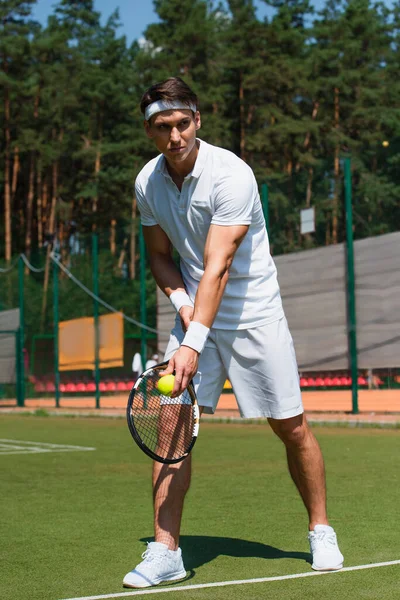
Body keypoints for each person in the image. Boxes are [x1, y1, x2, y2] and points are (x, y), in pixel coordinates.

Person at [123, 77, 343, 589]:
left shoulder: (232, 175)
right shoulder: (147, 182)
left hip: (254, 313)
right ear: (150, 131)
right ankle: (166, 550)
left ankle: (321, 529)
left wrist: (192, 343)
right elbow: (159, 254)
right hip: (194, 313)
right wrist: (183, 309)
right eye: (162, 127)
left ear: (197, 120)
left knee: (290, 426)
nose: (174, 135)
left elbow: (218, 266)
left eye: (182, 124)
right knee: (172, 427)